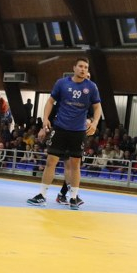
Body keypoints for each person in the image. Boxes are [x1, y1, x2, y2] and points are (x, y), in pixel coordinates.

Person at [27, 57, 101, 209]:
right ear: (74, 68)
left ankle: (73, 198)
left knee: (75, 165)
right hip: (60, 128)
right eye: (80, 66)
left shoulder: (91, 87)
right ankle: (42, 195)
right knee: (51, 162)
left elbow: (97, 107)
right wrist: (45, 119)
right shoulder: (62, 83)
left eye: (86, 67)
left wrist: (94, 123)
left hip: (78, 131)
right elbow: (50, 101)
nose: (83, 69)